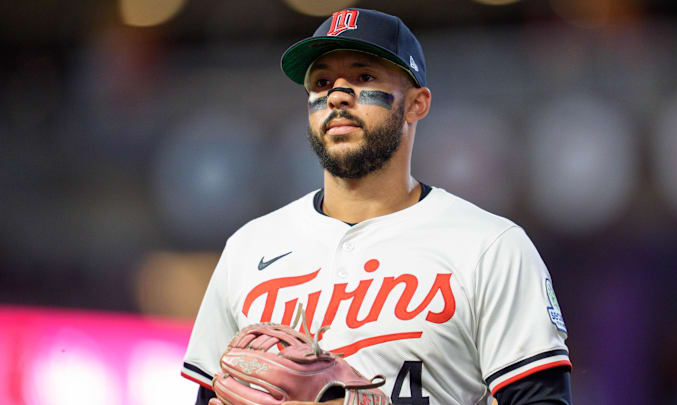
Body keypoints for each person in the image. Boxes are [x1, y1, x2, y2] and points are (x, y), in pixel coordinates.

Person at [182, 8, 572, 405]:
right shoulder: (249, 249)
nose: (336, 94)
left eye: (363, 76)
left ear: (417, 104)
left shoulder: (490, 246)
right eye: (321, 82)